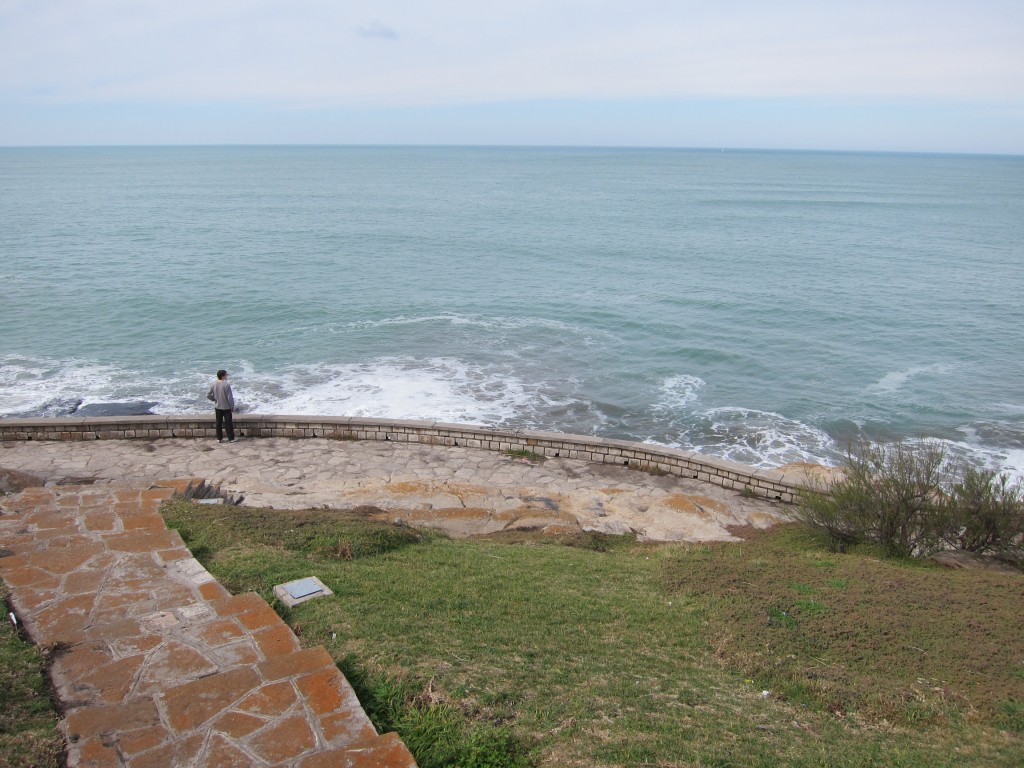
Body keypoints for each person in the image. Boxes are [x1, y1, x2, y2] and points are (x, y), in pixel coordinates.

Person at [207, 369, 236, 443]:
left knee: (218, 423)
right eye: (226, 374)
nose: (227, 376)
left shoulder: (213, 384)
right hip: (226, 407)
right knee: (228, 423)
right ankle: (231, 438)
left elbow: (208, 395)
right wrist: (232, 406)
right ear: (223, 376)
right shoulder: (227, 385)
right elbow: (230, 397)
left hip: (218, 406)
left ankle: (219, 438)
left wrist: (214, 399)